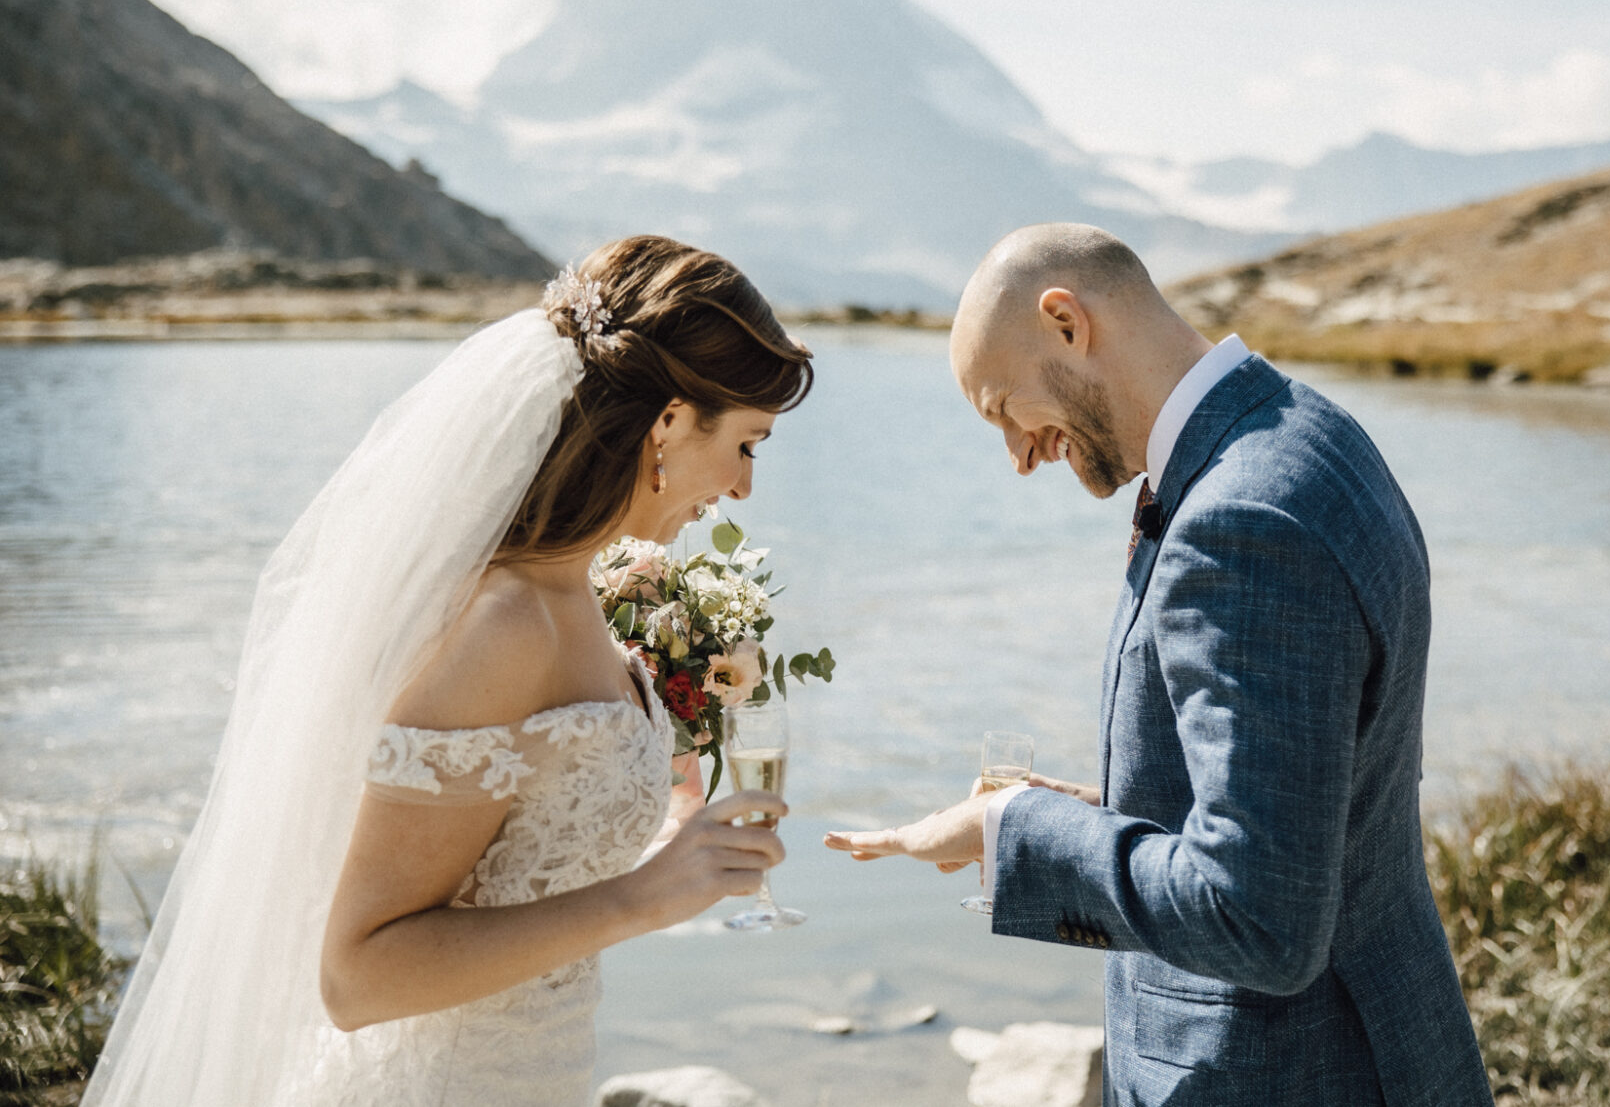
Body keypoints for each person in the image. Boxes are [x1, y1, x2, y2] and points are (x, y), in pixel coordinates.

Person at [82, 235, 812, 1107]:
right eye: (747, 445)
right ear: (667, 422)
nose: (743, 489)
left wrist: (658, 804)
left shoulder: (570, 591)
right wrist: (642, 897)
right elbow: (358, 977)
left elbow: (515, 847)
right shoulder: (504, 622)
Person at [826, 224, 1493, 1105]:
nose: (1020, 457)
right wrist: (1112, 813)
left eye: (1003, 409)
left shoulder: (1240, 523)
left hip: (1285, 1072)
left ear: (1066, 323)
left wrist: (1017, 833)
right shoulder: (1312, 435)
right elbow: (1306, 806)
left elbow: (1260, 918)